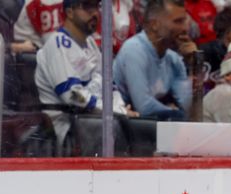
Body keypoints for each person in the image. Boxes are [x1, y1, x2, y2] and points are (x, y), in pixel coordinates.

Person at [35, 0, 134, 147]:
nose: (95, 13)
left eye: (96, 6)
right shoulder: (57, 44)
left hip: (96, 121)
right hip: (67, 128)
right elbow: (73, 96)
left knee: (140, 128)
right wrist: (117, 111)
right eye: (87, 6)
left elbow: (110, 86)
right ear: (69, 12)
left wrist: (120, 108)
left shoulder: (91, 44)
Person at [113, 0, 192, 121]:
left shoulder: (174, 59)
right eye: (178, 22)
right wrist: (173, 111)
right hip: (118, 127)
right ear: (155, 25)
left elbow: (188, 108)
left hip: (147, 128)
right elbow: (144, 107)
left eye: (184, 21)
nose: (185, 28)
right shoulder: (134, 50)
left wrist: (194, 65)